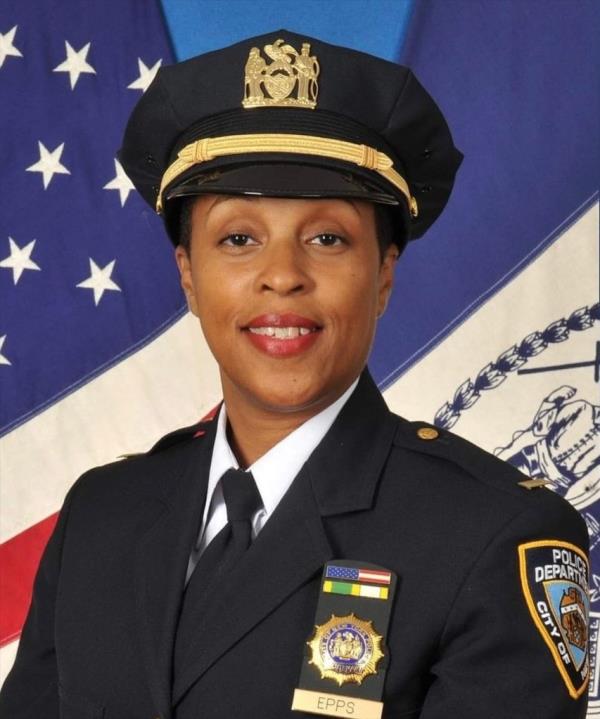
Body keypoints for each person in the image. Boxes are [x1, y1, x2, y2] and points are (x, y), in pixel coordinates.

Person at [0, 29, 590, 719]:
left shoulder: (497, 537)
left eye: (327, 238)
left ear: (383, 276)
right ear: (188, 276)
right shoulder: (102, 518)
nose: (282, 275)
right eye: (238, 238)